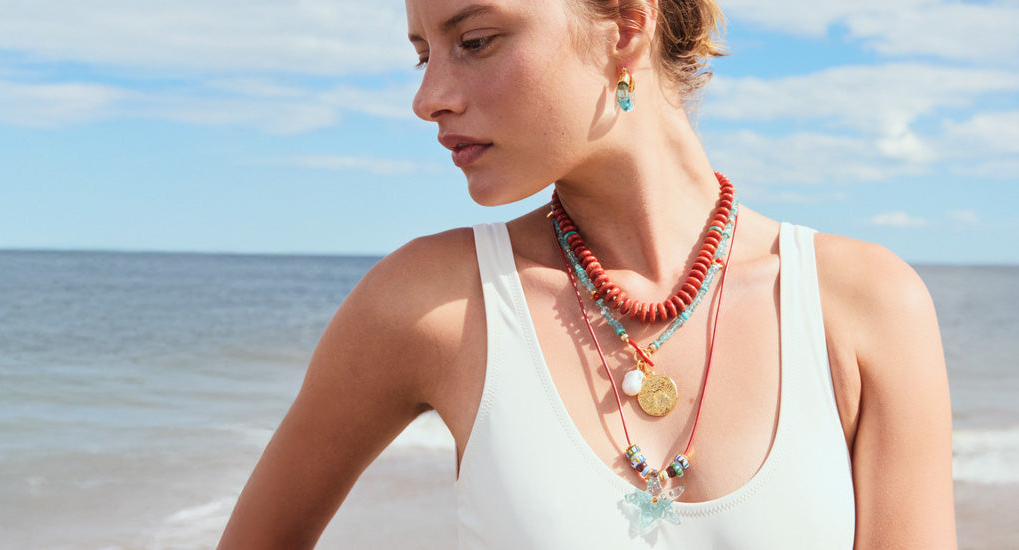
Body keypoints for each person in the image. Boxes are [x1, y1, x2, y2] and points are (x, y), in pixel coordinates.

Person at [216, 0, 957, 547]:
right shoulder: (429, 305)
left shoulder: (863, 307)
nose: (427, 97)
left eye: (473, 42)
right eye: (422, 54)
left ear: (625, 31)